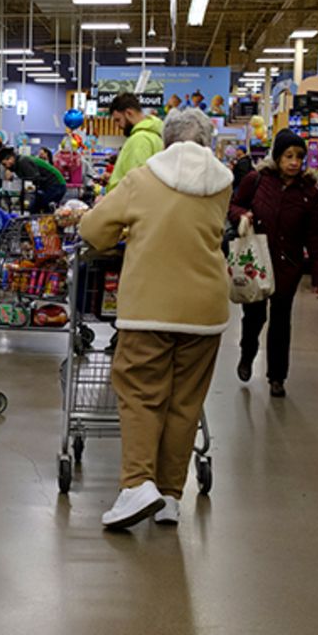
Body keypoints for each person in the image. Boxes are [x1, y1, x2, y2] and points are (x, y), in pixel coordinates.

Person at [79, 108, 233, 530]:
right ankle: (168, 496)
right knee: (184, 402)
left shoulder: (142, 178)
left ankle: (136, 486)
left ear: (166, 141)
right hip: (206, 310)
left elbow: (93, 230)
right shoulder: (223, 182)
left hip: (149, 307)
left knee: (142, 394)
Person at [228, 128, 318, 398]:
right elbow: (233, 206)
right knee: (254, 316)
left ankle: (277, 377)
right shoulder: (256, 180)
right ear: (277, 157)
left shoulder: (309, 192)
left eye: (299, 157)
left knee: (281, 320)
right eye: (288, 156)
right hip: (257, 261)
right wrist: (243, 215)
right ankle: (247, 354)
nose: (294, 162)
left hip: (289, 264)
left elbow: (314, 234)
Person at [106, 93, 165, 191]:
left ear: (129, 113)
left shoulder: (140, 140)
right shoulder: (155, 136)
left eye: (118, 120)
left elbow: (136, 184)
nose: (117, 126)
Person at [0, 146, 66, 213]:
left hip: (56, 184)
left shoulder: (23, 161)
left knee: (39, 207)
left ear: (11, 158)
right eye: (4, 165)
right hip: (51, 184)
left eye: (6, 163)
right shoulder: (17, 165)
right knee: (36, 206)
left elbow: (34, 180)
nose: (7, 166)